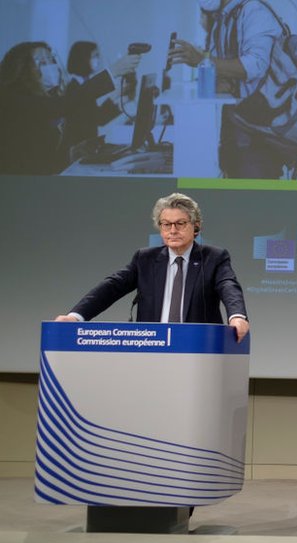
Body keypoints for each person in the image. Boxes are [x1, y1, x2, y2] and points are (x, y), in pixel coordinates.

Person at [55, 192, 250, 343]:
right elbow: (111, 287)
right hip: (152, 348)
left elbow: (228, 286)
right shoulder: (145, 259)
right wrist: (76, 317)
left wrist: (237, 316)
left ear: (196, 226)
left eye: (180, 223)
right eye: (166, 224)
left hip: (197, 350)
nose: (172, 230)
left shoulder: (214, 257)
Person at [167, 0, 286, 178]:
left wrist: (202, 60)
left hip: (258, 131)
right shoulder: (226, 18)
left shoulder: (255, 11)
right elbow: (221, 67)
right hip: (234, 126)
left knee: (252, 191)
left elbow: (255, 65)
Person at [0, 41, 115, 175]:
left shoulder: (47, 100)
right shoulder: (15, 100)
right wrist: (114, 72)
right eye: (42, 62)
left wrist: (74, 153)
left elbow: (43, 160)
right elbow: (63, 104)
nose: (51, 66)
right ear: (22, 70)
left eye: (52, 60)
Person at [60, 41, 141, 162]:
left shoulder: (82, 84)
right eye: (95, 56)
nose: (99, 59)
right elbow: (94, 119)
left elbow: (98, 118)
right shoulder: (74, 87)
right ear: (83, 58)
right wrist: (118, 95)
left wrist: (122, 98)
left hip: (86, 147)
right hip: (76, 151)